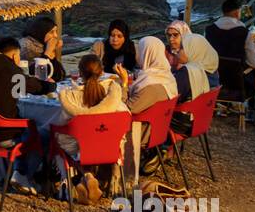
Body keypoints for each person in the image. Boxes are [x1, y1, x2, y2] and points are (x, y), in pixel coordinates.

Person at [0, 37, 55, 194]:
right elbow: (34, 86)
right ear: (13, 56)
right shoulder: (9, 70)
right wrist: (51, 85)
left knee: (28, 128)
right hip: (3, 135)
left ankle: (14, 172)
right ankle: (22, 174)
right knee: (43, 134)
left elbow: (10, 88)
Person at [54, 54, 126, 202]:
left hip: (79, 146)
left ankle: (82, 177)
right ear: (101, 72)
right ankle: (99, 179)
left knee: (56, 138)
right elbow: (125, 115)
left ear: (80, 73)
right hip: (109, 145)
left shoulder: (71, 96)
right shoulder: (110, 93)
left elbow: (61, 123)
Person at [112, 38, 178, 179]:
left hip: (142, 132)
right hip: (159, 129)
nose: (138, 55)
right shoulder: (166, 75)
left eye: (141, 51)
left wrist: (123, 83)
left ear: (147, 53)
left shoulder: (151, 85)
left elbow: (126, 108)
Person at [205, 0, 255, 96]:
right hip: (237, 83)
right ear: (236, 13)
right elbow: (254, 62)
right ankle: (252, 103)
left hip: (214, 79)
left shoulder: (209, 30)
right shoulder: (244, 33)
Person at [19, 16, 67, 82]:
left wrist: (52, 52)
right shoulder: (25, 45)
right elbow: (35, 74)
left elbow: (59, 76)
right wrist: (48, 52)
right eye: (51, 32)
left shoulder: (43, 45)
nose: (55, 35)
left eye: (56, 31)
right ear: (41, 31)